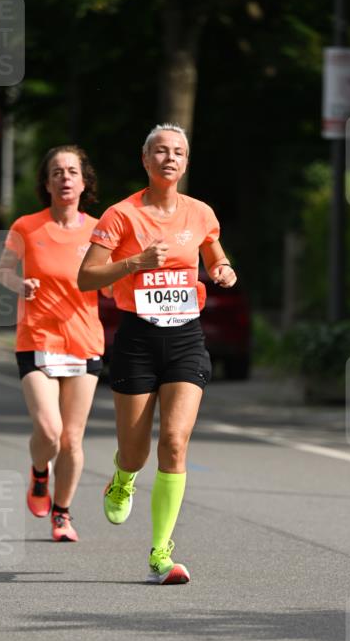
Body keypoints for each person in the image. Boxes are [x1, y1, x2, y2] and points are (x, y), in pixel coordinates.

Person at [78, 123, 237, 583]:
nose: (170, 158)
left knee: (174, 441)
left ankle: (161, 552)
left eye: (179, 152)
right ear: (145, 160)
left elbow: (215, 256)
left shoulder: (200, 213)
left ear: (186, 162)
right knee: (135, 452)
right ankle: (122, 477)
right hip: (137, 339)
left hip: (186, 337)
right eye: (161, 151)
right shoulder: (121, 215)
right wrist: (135, 263)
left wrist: (223, 270)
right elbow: (86, 278)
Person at [0, 145, 104, 542]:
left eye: (72, 171)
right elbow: (3, 271)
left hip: (84, 340)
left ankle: (62, 514)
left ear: (84, 182)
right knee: (49, 428)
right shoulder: (27, 226)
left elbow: (111, 281)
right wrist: (18, 284)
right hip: (37, 338)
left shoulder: (99, 230)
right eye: (56, 172)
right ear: (46, 182)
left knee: (72, 439)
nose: (65, 178)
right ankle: (40, 472)